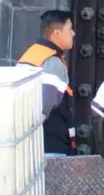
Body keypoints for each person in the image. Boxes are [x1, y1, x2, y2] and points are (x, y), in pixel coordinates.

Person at [17, 10, 76, 155]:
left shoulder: (33, 54)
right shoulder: (52, 61)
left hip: (34, 142)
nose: (73, 33)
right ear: (56, 33)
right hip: (50, 143)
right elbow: (45, 104)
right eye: (70, 29)